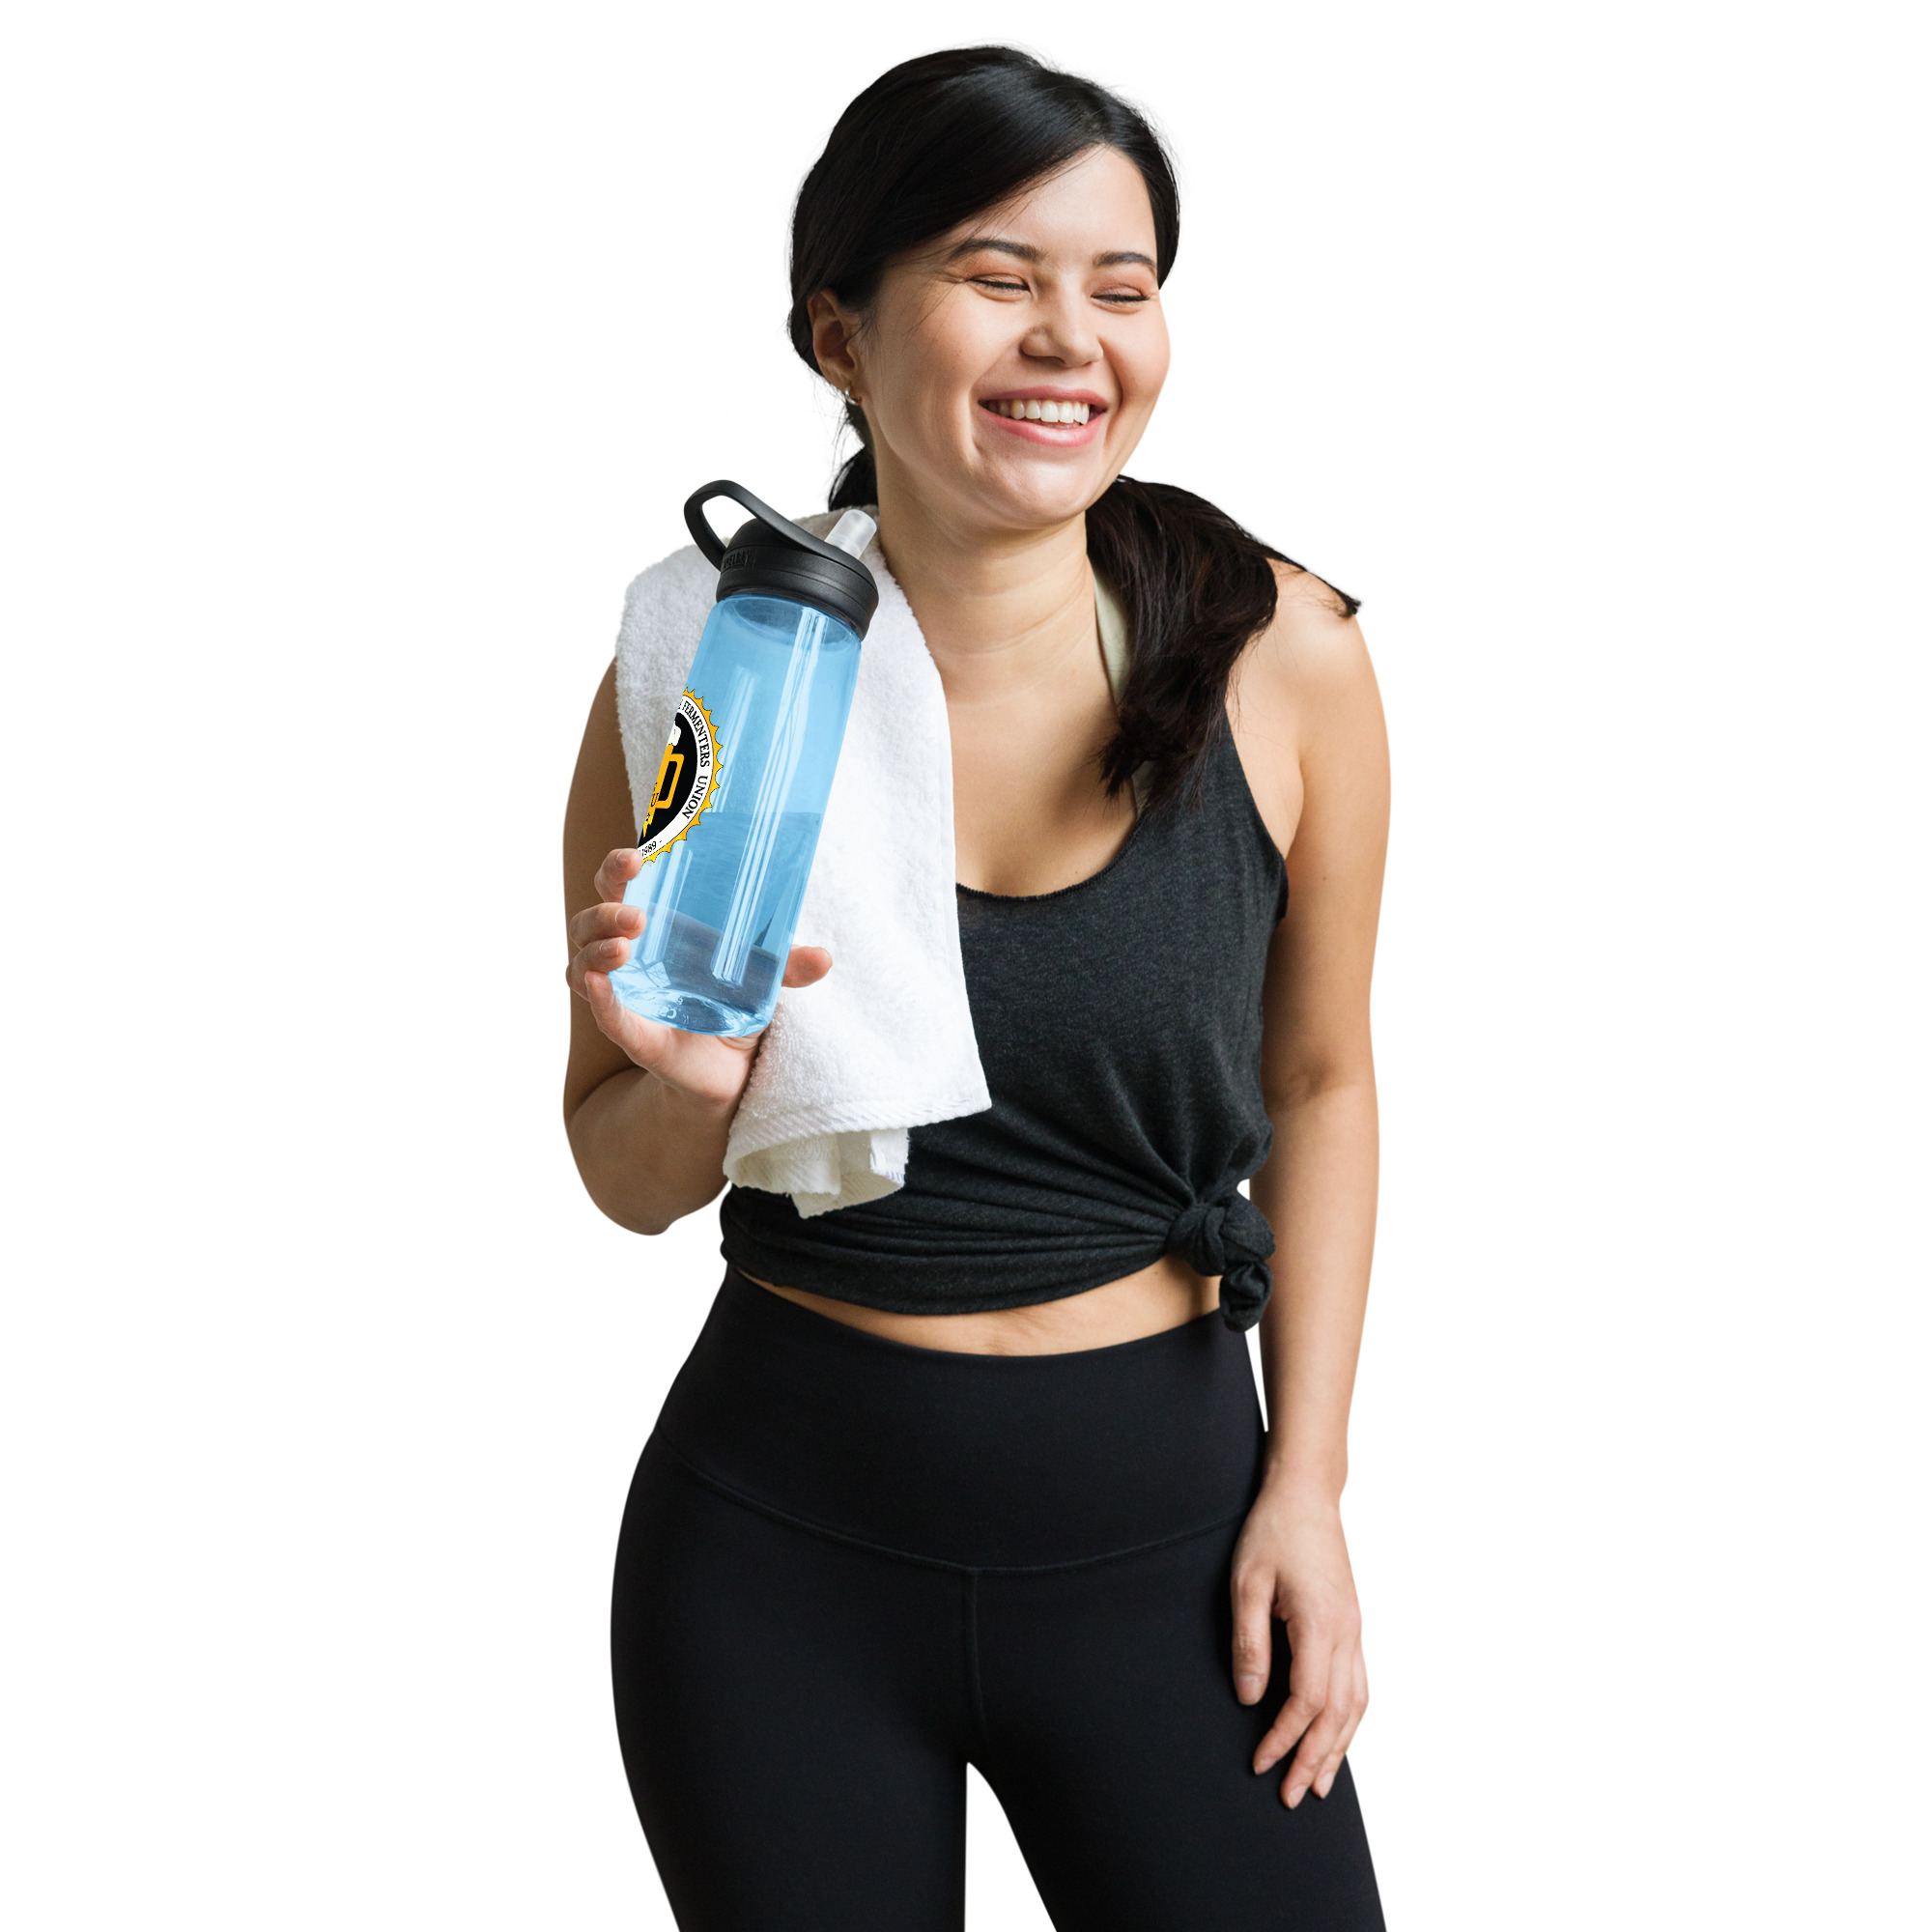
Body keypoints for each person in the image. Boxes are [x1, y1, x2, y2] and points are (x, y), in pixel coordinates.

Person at [561, 46, 1390, 1932]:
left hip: (1176, 1543)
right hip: (774, 1554)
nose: (1070, 339)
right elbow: (619, 1174)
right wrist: (692, 1086)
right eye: (998, 276)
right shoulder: (707, 678)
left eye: (1121, 284)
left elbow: (1324, 1082)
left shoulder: (1285, 658)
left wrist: (1310, 1489)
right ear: (839, 335)